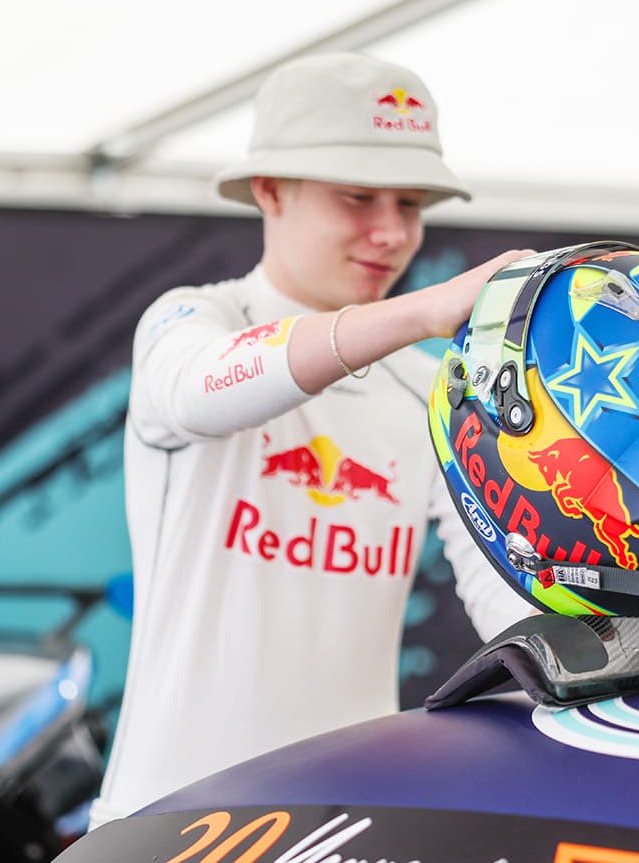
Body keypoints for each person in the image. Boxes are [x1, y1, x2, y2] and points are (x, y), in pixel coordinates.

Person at [89, 52, 538, 827]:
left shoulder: (433, 384)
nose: (390, 231)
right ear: (269, 190)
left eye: (411, 201)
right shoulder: (191, 318)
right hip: (160, 825)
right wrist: (422, 315)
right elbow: (200, 392)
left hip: (340, 827)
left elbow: (507, 599)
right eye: (358, 196)